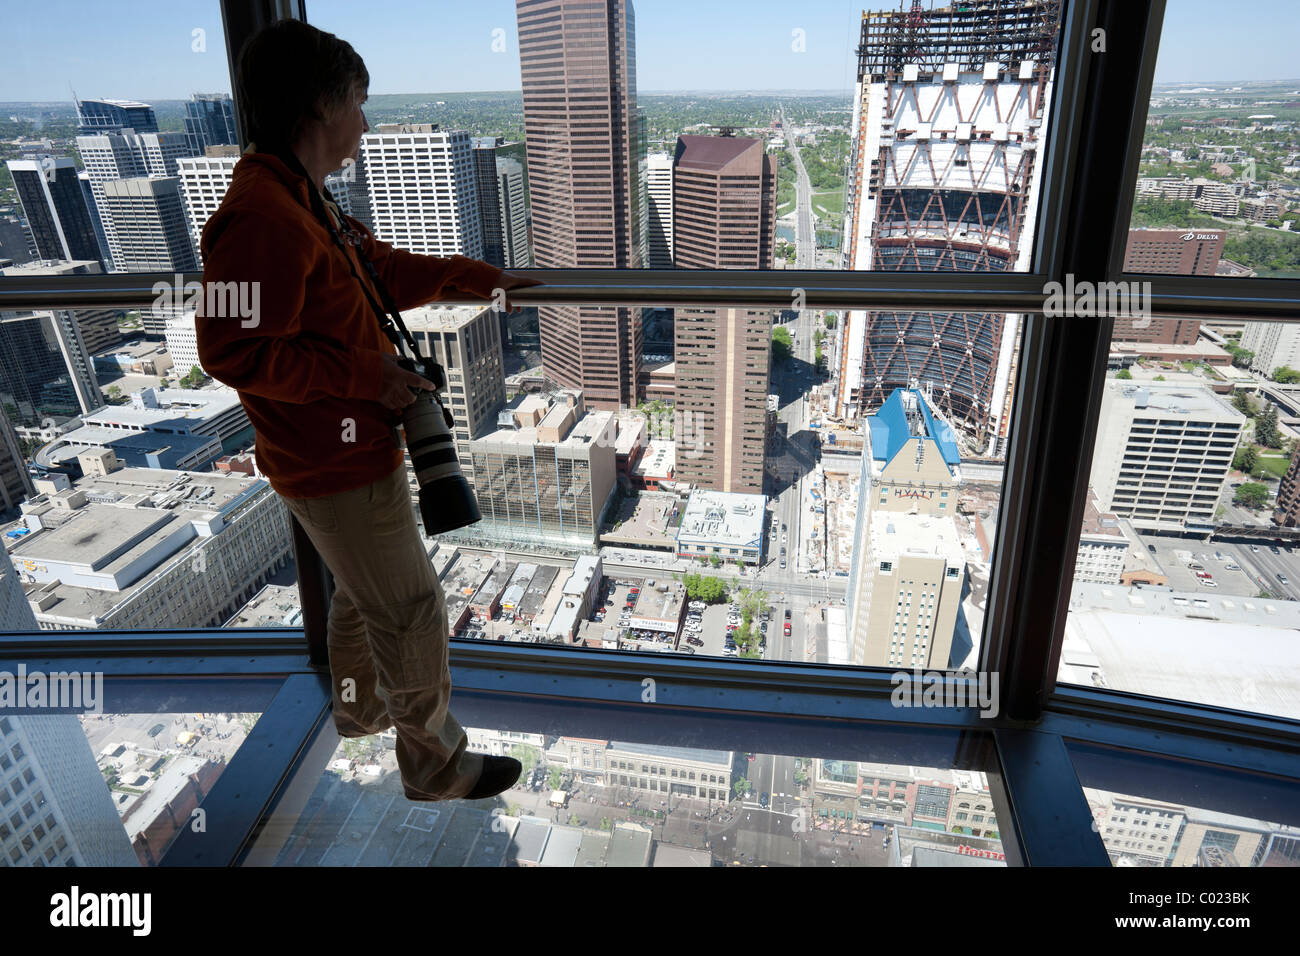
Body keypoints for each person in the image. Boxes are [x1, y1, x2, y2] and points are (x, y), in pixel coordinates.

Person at [196, 19, 540, 802]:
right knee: (413, 607)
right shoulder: (261, 217)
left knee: (359, 590)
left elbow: (372, 268)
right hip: (331, 461)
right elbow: (230, 351)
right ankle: (437, 767)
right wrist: (366, 376)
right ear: (321, 105)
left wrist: (469, 277)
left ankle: (357, 713)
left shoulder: (295, 194)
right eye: (358, 103)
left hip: (341, 449)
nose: (365, 123)